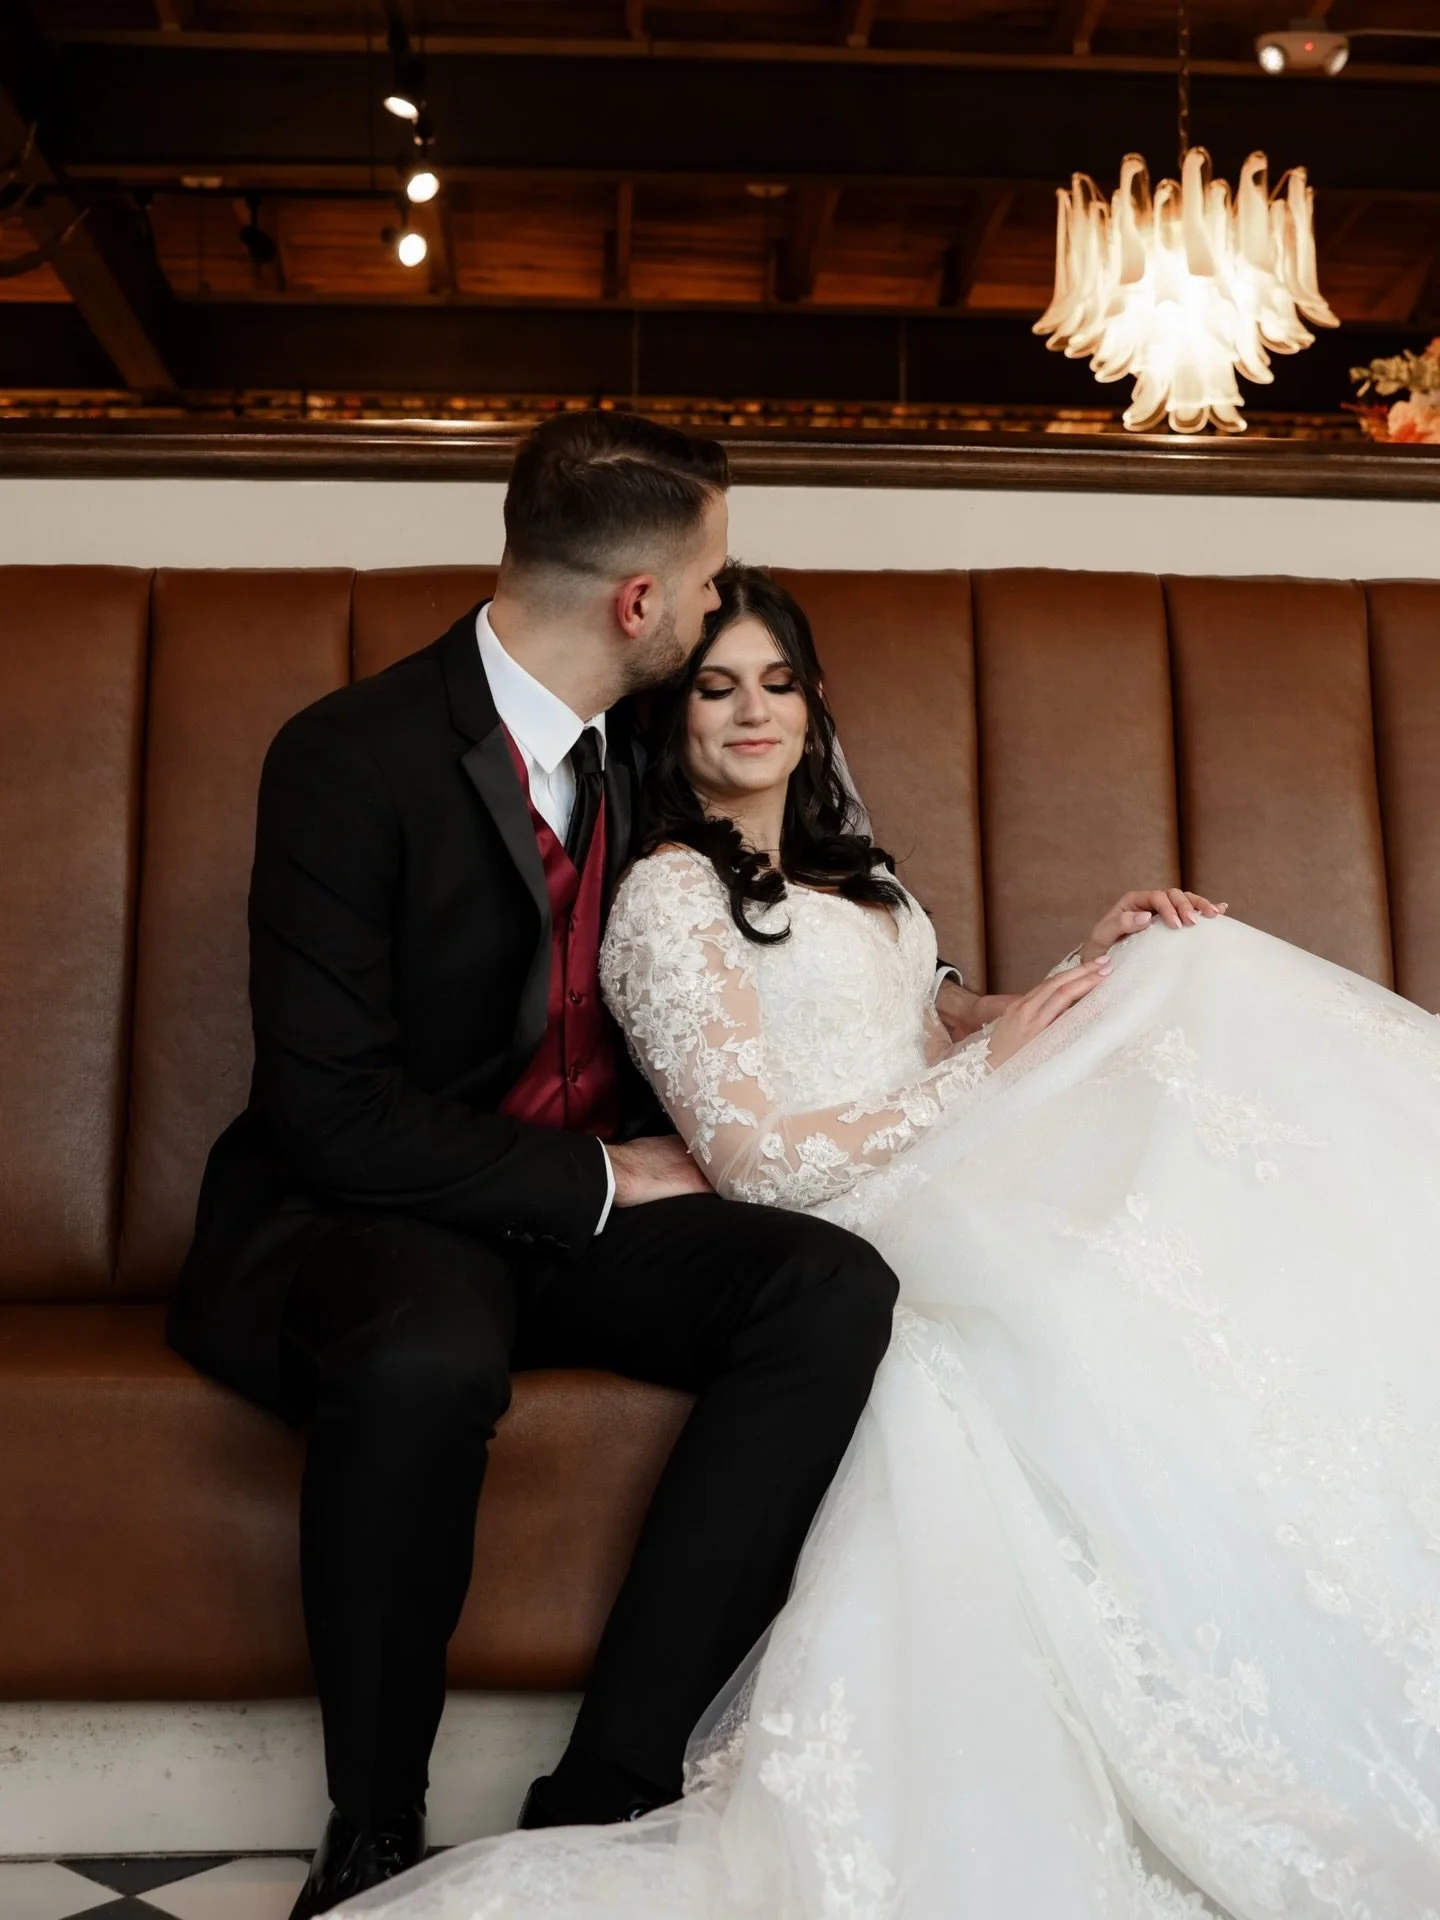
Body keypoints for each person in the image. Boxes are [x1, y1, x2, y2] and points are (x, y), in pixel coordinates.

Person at [343, 564, 1440, 1919]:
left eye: (778, 684)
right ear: (671, 718)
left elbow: (926, 1022)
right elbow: (758, 1161)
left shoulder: (858, 879)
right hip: (844, 1213)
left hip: (939, 1150)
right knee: (1066, 1301)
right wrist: (987, 1077)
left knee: (1193, 1017)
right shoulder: (669, 904)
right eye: (716, 687)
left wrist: (1061, 984)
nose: (753, 714)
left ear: (814, 704)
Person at [166, 427, 904, 1919]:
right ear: (638, 604)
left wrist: (998, 1001)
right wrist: (601, 1186)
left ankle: (606, 1796)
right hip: (379, 1208)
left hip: (572, 1207)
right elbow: (331, 1111)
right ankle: (373, 1831)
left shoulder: (643, 745)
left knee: (828, 1289)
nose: (718, 617)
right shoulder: (344, 757)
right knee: (425, 1356)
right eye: (703, 591)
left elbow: (816, 908)